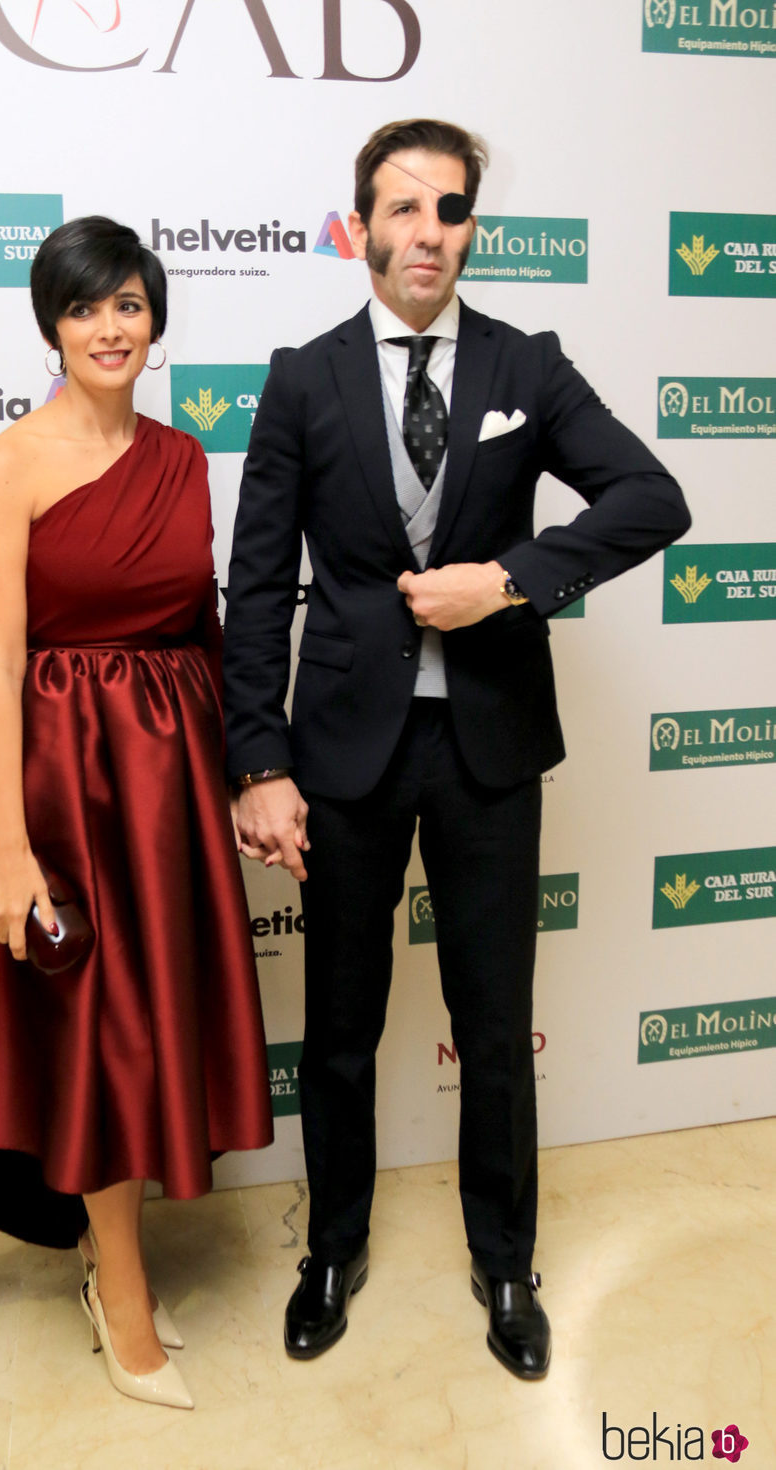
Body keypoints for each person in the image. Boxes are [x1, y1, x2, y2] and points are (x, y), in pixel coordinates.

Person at [222, 119, 690, 1380]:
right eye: (402, 208)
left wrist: (512, 579)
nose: (426, 231)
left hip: (486, 746)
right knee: (337, 1027)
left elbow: (652, 497)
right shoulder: (302, 377)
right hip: (343, 755)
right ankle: (333, 1249)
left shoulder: (524, 365)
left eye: (450, 210)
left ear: (470, 226)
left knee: (495, 1024)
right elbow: (257, 588)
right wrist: (258, 764)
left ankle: (504, 1264)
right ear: (359, 224)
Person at [0, 216, 273, 1411]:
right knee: (98, 1036)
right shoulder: (6, 463)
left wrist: (232, 777)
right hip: (59, 784)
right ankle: (120, 1296)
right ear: (49, 326)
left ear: (154, 318)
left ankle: (104, 1263)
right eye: (83, 309)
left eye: (126, 304)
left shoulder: (182, 455)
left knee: (143, 1029)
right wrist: (8, 844)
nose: (108, 328)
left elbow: (199, 631)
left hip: (162, 781)